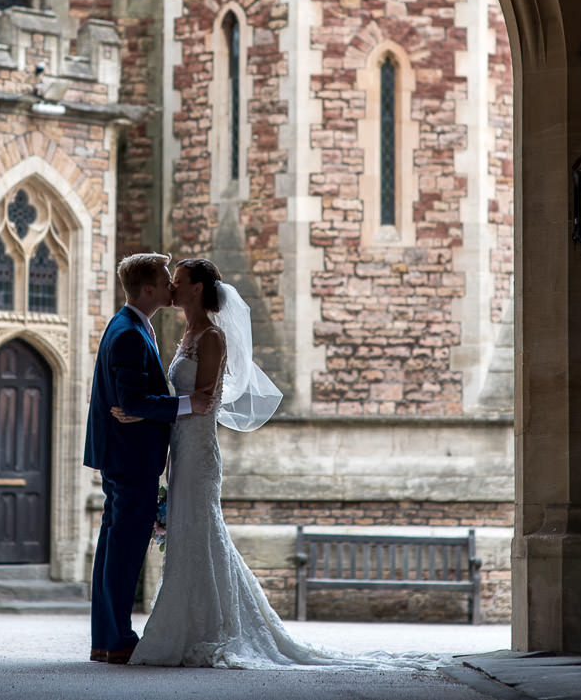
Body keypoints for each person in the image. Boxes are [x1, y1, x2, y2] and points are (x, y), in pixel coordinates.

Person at [114, 257, 442, 670]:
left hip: (198, 452)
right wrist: (150, 413)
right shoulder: (185, 334)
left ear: (197, 288)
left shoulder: (212, 337)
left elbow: (206, 401)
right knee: (189, 535)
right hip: (180, 449)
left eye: (178, 281)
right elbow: (182, 398)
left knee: (200, 532)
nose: (172, 287)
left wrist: (147, 411)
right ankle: (191, 621)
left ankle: (207, 629)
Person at [83, 252, 213, 664]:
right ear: (149, 289)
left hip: (125, 453)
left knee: (113, 544)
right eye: (164, 278)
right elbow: (132, 400)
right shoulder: (128, 333)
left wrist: (140, 407)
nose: (170, 286)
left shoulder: (135, 327)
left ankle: (105, 638)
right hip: (130, 455)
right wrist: (187, 404)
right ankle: (117, 638)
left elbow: (135, 401)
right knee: (122, 549)